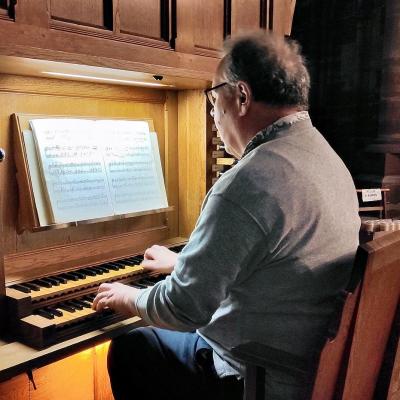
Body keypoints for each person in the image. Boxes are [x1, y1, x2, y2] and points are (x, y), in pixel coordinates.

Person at [93, 30, 360, 400]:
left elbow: (183, 310)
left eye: (213, 98)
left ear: (242, 97)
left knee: (133, 348)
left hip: (257, 375)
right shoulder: (326, 158)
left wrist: (126, 297)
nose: (214, 114)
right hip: (311, 366)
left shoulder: (250, 180)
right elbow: (277, 259)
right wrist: (186, 263)